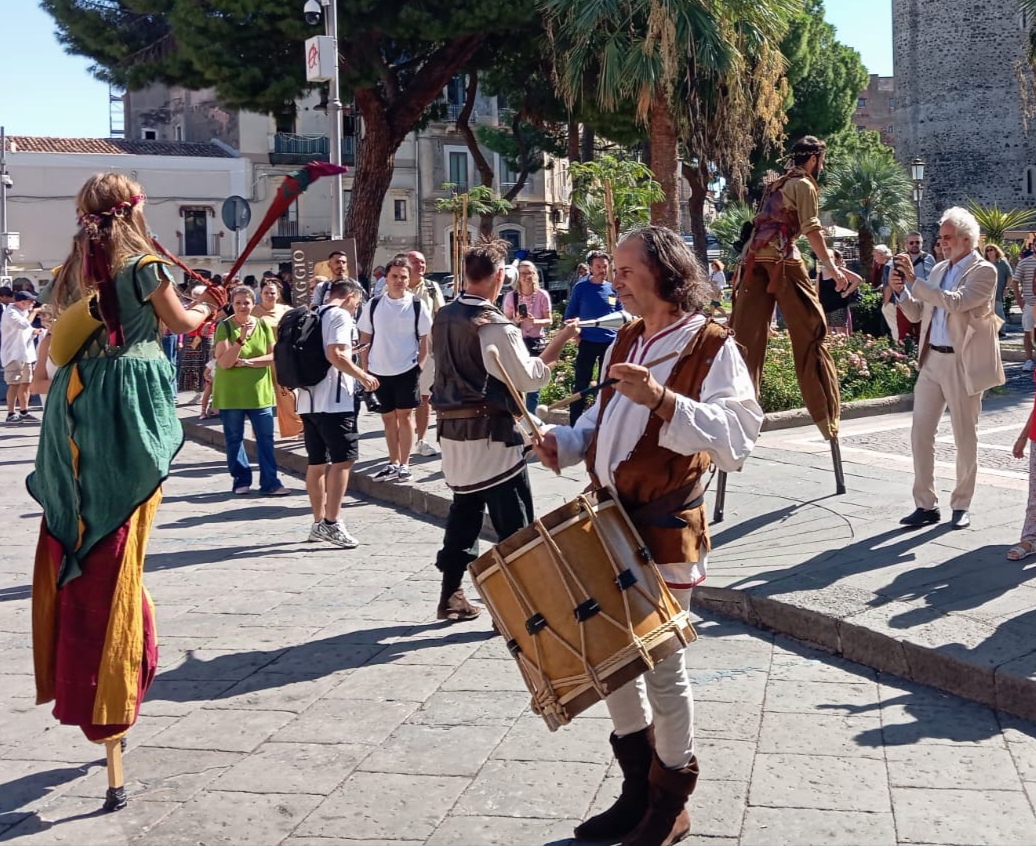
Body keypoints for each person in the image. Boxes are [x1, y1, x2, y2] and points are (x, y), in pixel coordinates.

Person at [534, 225, 762, 846]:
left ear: (663, 273)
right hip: (606, 521)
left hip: (663, 527)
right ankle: (637, 789)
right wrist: (567, 441)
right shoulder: (627, 337)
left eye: (629, 270)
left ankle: (670, 803)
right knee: (613, 663)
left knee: (663, 667)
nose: (618, 280)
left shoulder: (711, 345)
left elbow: (738, 437)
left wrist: (663, 398)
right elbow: (602, 415)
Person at [27, 172, 226, 778]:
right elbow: (181, 325)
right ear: (134, 211)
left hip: (72, 412)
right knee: (119, 551)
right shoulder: (144, 265)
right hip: (124, 414)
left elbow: (58, 346)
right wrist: (207, 307)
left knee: (91, 541)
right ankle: (114, 674)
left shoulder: (69, 269)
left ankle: (103, 666)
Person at [430, 238, 562, 621]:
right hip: (492, 439)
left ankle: (451, 594)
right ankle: (520, 611)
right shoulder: (494, 326)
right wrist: (558, 343)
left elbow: (430, 374)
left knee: (465, 513)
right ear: (499, 277)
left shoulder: (444, 316)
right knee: (515, 526)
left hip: (454, 437)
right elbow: (529, 378)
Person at [890, 206, 1004, 530]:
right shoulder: (938, 269)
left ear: (967, 239)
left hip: (961, 362)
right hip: (931, 361)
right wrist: (901, 290)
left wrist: (915, 280)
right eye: (940, 238)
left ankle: (961, 504)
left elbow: (955, 302)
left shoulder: (985, 271)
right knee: (920, 434)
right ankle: (925, 505)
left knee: (965, 436)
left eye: (948, 238)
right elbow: (917, 314)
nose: (943, 243)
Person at [730, 135, 846, 440]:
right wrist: (832, 268)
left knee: (744, 341)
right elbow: (812, 230)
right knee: (811, 332)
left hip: (752, 261)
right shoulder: (804, 185)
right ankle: (826, 418)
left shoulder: (776, 184)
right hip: (782, 259)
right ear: (813, 160)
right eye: (820, 161)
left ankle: (738, 421)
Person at [299, 278, 380, 548]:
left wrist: (350, 354)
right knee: (343, 460)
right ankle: (332, 523)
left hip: (308, 400)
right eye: (358, 301)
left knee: (316, 462)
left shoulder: (313, 314)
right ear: (350, 297)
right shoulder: (340, 316)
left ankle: (317, 522)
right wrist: (363, 375)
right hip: (334, 401)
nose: (357, 307)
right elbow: (335, 355)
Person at [357, 255, 431, 483]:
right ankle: (393, 461)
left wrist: (418, 367)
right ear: (386, 278)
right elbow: (365, 339)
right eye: (394, 276)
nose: (398, 280)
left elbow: (424, 341)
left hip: (406, 370)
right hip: (379, 370)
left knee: (405, 416)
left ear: (409, 280)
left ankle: (405, 464)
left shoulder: (417, 305)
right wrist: (365, 370)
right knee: (388, 418)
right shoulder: (375, 304)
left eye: (403, 277)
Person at [213, 285, 291, 496]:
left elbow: (273, 356)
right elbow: (225, 363)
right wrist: (240, 339)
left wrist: (248, 362)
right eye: (238, 303)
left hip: (259, 392)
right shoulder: (225, 327)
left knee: (266, 438)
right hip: (231, 393)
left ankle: (270, 482)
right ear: (232, 304)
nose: (242, 307)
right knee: (234, 437)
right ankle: (241, 479)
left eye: (246, 302)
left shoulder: (263, 325)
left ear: (253, 303)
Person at [564, 250, 623, 425]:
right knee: (581, 383)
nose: (602, 269)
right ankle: (574, 423)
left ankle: (602, 421)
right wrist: (576, 335)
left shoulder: (612, 289)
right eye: (598, 266)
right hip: (587, 342)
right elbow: (569, 315)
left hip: (609, 344)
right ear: (590, 267)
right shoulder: (581, 288)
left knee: (605, 384)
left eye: (605, 266)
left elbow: (621, 313)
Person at [407, 249, 446, 457]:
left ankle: (421, 441)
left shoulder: (432, 288)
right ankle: (401, 441)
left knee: (424, 396)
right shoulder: (392, 287)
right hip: (400, 351)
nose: (421, 266)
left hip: (427, 350)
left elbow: (440, 315)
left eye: (423, 262)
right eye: (416, 262)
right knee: (402, 401)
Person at [254, 279, 303, 439]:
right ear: (260, 294)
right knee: (260, 396)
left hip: (282, 358)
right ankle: (261, 432)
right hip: (260, 358)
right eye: (266, 292)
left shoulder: (287, 311)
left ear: (279, 294)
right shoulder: (253, 311)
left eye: (272, 293)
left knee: (287, 394)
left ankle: (298, 428)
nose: (269, 295)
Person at [502, 259, 553, 412]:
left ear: (535, 275)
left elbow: (549, 320)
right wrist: (516, 320)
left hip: (536, 342)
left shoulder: (542, 295)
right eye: (523, 273)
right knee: (515, 380)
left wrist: (536, 321)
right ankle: (516, 415)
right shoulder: (512, 297)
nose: (527, 276)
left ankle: (531, 417)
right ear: (518, 276)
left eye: (530, 272)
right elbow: (505, 320)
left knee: (534, 382)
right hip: (517, 341)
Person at [1, 290, 42, 423]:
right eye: (31, 301)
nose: (33, 304)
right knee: (14, 384)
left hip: (25, 354)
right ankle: (11, 413)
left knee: (26, 383)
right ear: (22, 302)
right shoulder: (11, 312)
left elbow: (27, 330)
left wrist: (35, 332)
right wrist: (34, 312)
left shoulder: (23, 312)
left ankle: (24, 411)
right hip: (13, 354)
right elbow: (23, 325)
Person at [816, 250, 863, 335]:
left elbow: (858, 279)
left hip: (838, 306)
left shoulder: (839, 271)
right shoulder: (820, 273)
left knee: (841, 334)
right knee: (826, 334)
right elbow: (817, 290)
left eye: (830, 257)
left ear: (835, 259)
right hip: (824, 307)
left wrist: (847, 292)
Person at [1012, 247, 1036, 371]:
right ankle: (1028, 359)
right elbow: (1015, 281)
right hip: (1030, 303)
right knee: (1028, 331)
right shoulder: (1025, 262)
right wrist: (1019, 300)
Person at [984, 244, 1012, 339]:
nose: (989, 252)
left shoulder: (1003, 262)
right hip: (986, 292)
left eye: (991, 249)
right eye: (987, 250)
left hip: (998, 292)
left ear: (996, 251)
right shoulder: (985, 263)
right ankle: (992, 331)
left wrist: (1007, 288)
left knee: (999, 311)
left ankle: (1002, 331)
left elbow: (1009, 276)